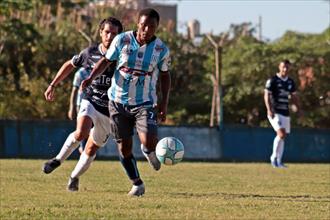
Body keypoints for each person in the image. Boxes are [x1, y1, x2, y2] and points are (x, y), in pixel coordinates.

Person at [81, 8, 171, 196]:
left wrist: (163, 104)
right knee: (124, 147)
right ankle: (137, 184)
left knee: (147, 141)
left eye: (151, 27)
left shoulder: (161, 49)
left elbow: (165, 76)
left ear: (157, 28)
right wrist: (90, 78)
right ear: (138, 23)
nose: (146, 29)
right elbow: (106, 61)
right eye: (144, 25)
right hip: (117, 101)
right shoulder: (122, 40)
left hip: (144, 102)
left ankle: (148, 150)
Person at [42, 17, 123, 191]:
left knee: (91, 148)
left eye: (114, 33)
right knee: (81, 132)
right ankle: (57, 159)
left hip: (110, 110)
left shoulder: (124, 56)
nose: (110, 36)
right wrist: (52, 85)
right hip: (90, 100)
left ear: (119, 36)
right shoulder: (90, 53)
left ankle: (74, 177)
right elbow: (69, 65)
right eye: (107, 32)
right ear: (101, 32)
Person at [264, 59, 301, 168]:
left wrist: (298, 109)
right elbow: (266, 95)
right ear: (279, 67)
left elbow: (294, 97)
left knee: (283, 136)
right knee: (281, 133)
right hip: (275, 111)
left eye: (287, 67)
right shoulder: (273, 80)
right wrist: (269, 109)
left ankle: (279, 161)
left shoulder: (290, 82)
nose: (285, 69)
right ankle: (273, 158)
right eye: (283, 67)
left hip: (285, 112)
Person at [68, 67, 90, 154]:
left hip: (96, 104)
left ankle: (84, 149)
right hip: (81, 104)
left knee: (91, 131)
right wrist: (72, 108)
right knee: (83, 130)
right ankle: (83, 149)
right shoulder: (80, 73)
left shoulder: (100, 69)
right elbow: (74, 91)